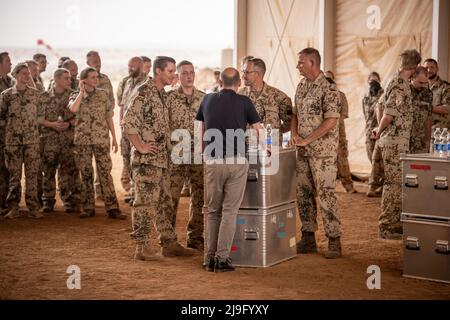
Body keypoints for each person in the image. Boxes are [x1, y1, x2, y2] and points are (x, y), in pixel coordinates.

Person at [123, 56, 194, 260]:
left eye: (174, 71)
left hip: (162, 159)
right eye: (171, 71)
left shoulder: (161, 94)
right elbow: (128, 122)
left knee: (164, 202)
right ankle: (142, 247)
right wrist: (140, 147)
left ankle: (169, 244)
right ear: (159, 72)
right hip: (147, 162)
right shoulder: (144, 92)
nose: (174, 75)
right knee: (145, 203)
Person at [196, 67, 262, 272]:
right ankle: (221, 259)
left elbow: (202, 128)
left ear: (220, 81)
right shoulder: (244, 101)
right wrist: (267, 148)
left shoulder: (206, 99)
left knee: (212, 211)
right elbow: (258, 129)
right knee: (229, 211)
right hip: (236, 161)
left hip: (213, 162)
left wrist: (204, 154)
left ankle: (208, 259)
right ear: (239, 83)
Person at [290, 48, 342, 259]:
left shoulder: (329, 88)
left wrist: (307, 140)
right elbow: (295, 113)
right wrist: (294, 134)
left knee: (326, 194)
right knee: (302, 194)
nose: (298, 66)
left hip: (323, 153)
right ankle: (308, 237)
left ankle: (334, 240)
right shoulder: (301, 86)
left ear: (312, 62)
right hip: (302, 151)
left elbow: (331, 120)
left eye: (301, 62)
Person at [372, 49, 421, 240]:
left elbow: (381, 106)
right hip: (394, 141)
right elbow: (389, 114)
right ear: (416, 66)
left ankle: (394, 224)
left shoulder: (395, 81)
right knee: (393, 184)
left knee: (396, 183)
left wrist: (380, 128)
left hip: (396, 140)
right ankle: (386, 227)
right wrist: (380, 129)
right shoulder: (400, 85)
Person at [68, 67, 125, 220]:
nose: (96, 80)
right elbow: (73, 109)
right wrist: (81, 92)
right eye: (92, 77)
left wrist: (114, 137)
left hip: (101, 139)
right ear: (84, 80)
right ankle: (88, 207)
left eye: (97, 77)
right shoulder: (74, 95)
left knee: (105, 173)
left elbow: (108, 117)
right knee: (86, 174)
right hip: (83, 141)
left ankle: (112, 207)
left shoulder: (103, 94)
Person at [166, 60, 205, 250]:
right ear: (178, 76)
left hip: (198, 155)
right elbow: (163, 126)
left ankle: (196, 237)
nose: (189, 76)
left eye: (191, 72)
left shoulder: (205, 99)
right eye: (184, 73)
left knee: (200, 196)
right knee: (171, 197)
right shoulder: (169, 98)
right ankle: (169, 240)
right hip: (177, 155)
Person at [0, 63, 44, 219]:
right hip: (13, 142)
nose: (27, 76)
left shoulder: (35, 94)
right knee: (14, 176)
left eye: (28, 73)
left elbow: (41, 116)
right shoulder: (6, 95)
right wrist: (12, 131)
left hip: (32, 141)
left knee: (32, 175)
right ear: (16, 75)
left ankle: (33, 207)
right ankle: (14, 208)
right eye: (24, 73)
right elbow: (2, 118)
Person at [39, 68, 81, 213]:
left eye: (69, 78)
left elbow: (80, 116)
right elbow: (37, 118)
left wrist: (69, 124)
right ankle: (48, 201)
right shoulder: (44, 96)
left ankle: (68, 200)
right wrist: (51, 125)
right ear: (56, 79)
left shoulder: (73, 96)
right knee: (48, 170)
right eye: (66, 78)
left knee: (67, 171)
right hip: (49, 140)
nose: (69, 81)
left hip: (68, 140)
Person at [239, 57, 292, 141]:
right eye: (243, 72)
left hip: (271, 149)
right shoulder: (239, 96)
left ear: (257, 74)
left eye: (246, 72)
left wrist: (273, 134)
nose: (243, 76)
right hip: (245, 149)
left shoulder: (280, 97)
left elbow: (290, 123)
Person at [86, 50, 115, 200]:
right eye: (95, 61)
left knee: (103, 163)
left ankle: (101, 191)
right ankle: (89, 195)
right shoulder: (83, 80)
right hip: (85, 131)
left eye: (99, 60)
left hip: (102, 127)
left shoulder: (105, 79)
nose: (98, 63)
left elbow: (111, 100)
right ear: (88, 63)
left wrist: (108, 113)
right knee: (86, 166)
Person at [118, 57, 147, 204]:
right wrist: (121, 122)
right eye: (129, 66)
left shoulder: (148, 83)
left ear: (141, 67)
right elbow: (122, 105)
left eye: (133, 67)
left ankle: (138, 193)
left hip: (139, 131)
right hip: (125, 130)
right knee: (126, 158)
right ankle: (132, 190)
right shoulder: (125, 82)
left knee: (137, 160)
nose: (130, 69)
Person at [324, 70, 356, 193]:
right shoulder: (319, 95)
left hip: (338, 133)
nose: (328, 81)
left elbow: (343, 115)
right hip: (323, 134)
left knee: (342, 159)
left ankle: (348, 185)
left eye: (330, 79)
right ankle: (325, 187)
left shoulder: (340, 95)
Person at [0, 52, 14, 215]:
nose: (11, 64)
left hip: (7, 135)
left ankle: (3, 202)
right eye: (8, 61)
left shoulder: (8, 81)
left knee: (6, 168)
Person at [409, 66, 433, 153]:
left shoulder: (428, 93)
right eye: (420, 82)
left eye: (425, 83)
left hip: (420, 141)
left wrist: (428, 141)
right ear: (412, 78)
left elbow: (428, 118)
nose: (423, 85)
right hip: (404, 139)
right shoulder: (403, 91)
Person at [424, 58, 450, 130]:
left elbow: (447, 109)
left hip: (440, 132)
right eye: (426, 68)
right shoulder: (421, 87)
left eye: (432, 67)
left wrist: (427, 107)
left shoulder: (446, 87)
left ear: (437, 69)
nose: (429, 70)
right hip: (423, 132)